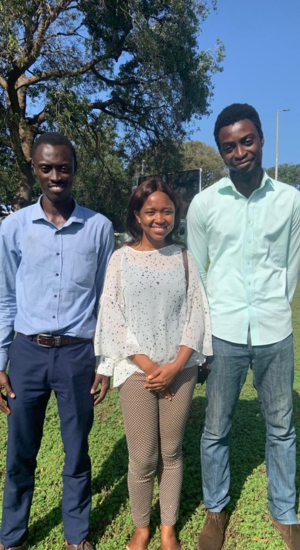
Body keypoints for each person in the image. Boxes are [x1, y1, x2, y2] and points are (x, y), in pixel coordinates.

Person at [186, 103, 300, 550]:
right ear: (221, 151)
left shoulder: (291, 200)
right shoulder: (205, 204)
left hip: (275, 330)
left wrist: (275, 304)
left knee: (282, 428)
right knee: (216, 427)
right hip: (225, 331)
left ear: (261, 140)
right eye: (229, 146)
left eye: (246, 141)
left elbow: (292, 267)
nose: (240, 152)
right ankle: (216, 511)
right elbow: (195, 272)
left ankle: (285, 513)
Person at [0, 132, 114, 550]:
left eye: (63, 167)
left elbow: (107, 300)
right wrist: (0, 360)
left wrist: (105, 360)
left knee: (76, 451)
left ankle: (76, 535)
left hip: (78, 355)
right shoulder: (12, 228)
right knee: (20, 452)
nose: (55, 176)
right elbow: (4, 298)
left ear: (74, 170)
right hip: (26, 353)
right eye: (46, 167)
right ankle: (11, 536)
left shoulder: (99, 228)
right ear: (35, 169)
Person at [94, 178, 212, 550]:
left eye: (167, 211)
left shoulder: (183, 258)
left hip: (180, 371)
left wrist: (176, 365)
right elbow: (111, 314)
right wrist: (148, 366)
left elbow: (197, 312)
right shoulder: (121, 258)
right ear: (137, 217)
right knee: (143, 456)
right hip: (137, 373)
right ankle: (142, 527)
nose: (160, 218)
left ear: (176, 215)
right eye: (151, 211)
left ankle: (167, 528)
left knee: (172, 453)